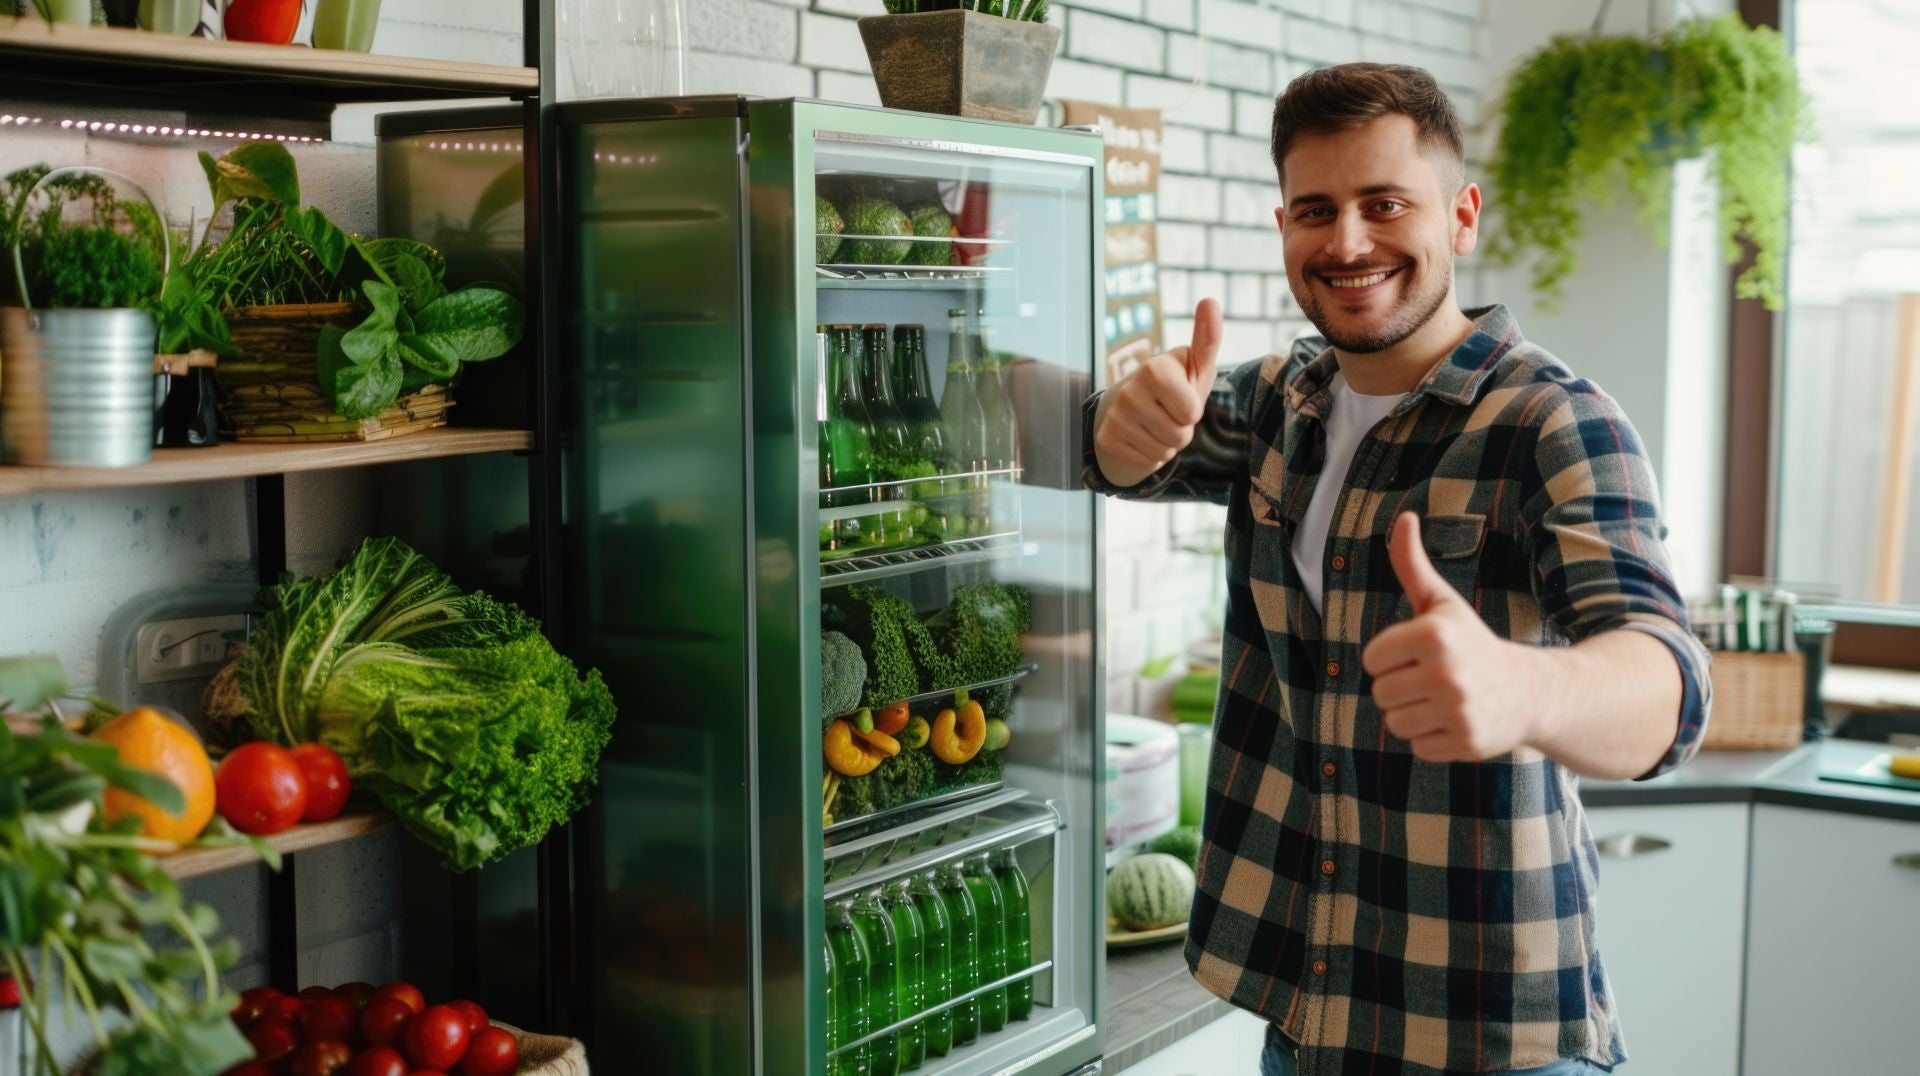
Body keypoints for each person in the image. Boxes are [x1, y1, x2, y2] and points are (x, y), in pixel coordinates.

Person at [1084, 63, 1712, 1075]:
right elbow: (1105, 447)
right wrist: (1120, 429)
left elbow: (1669, 685)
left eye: (1384, 204)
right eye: (1315, 210)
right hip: (1306, 1021)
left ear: (1461, 217)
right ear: (1283, 224)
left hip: (1489, 1036)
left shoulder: (1553, 422)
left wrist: (1523, 688)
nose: (1346, 242)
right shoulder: (1275, 403)